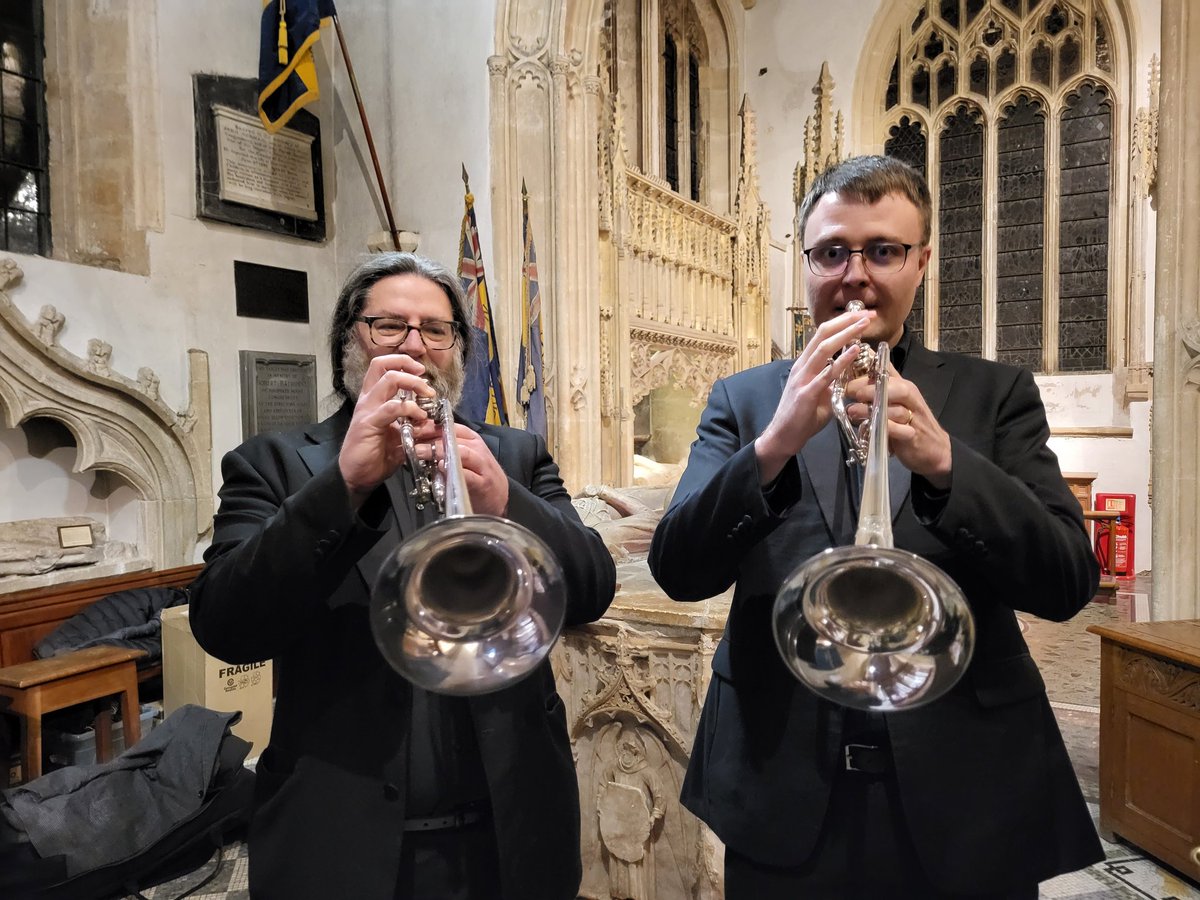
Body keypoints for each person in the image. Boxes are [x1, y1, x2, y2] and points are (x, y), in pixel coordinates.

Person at [648, 155, 1103, 898]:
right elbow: (679, 570)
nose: (854, 274)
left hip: (967, 791)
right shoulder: (745, 399)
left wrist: (946, 461)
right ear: (805, 264)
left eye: (883, 251)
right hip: (780, 785)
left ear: (921, 262)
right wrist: (775, 445)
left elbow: (1065, 583)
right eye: (832, 252)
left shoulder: (995, 394)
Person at [188, 252, 616, 900]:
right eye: (389, 326)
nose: (415, 346)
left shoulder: (516, 456)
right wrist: (345, 486)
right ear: (348, 343)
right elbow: (225, 624)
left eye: (436, 329)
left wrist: (508, 503)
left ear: (457, 351)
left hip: (510, 840)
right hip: (342, 846)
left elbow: (591, 591)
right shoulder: (273, 464)